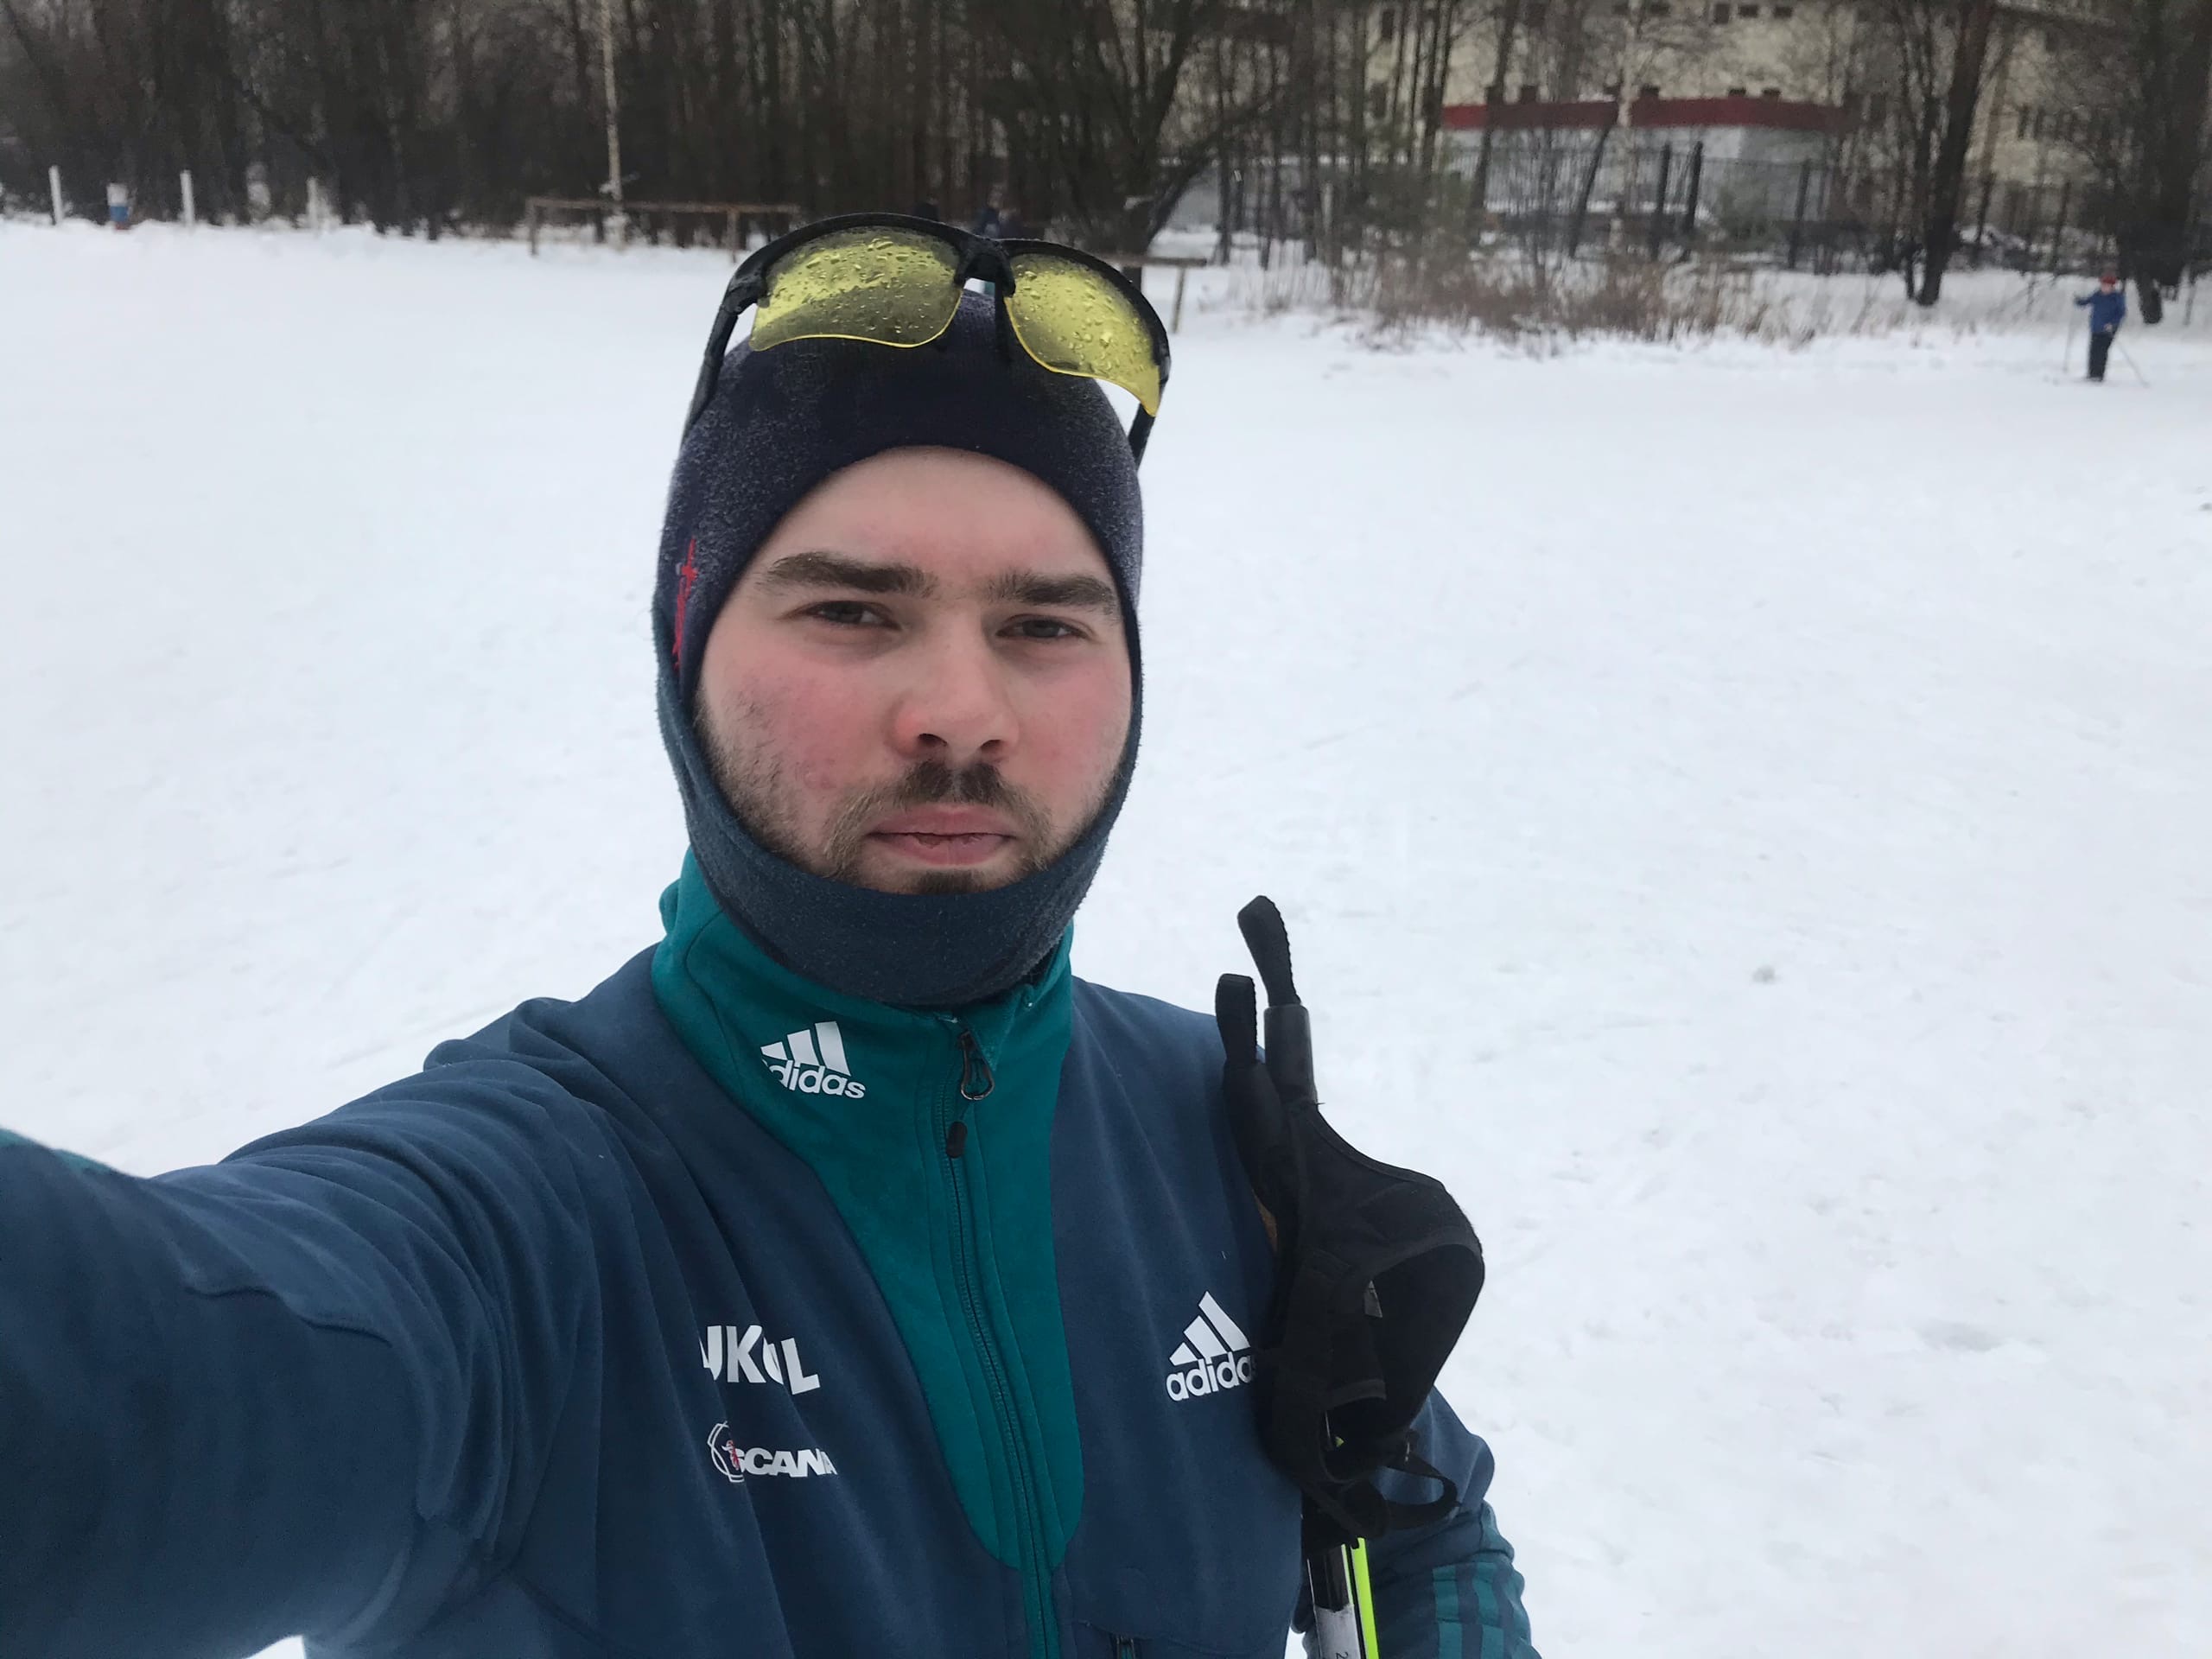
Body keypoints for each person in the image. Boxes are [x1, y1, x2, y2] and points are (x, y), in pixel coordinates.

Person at [0, 220, 1538, 1659]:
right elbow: (150, 1384)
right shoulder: (529, 1223)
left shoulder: (1217, 1125)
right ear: (687, 651)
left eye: (1046, 624)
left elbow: (1423, 1521)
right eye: (853, 611)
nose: (961, 710)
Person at [2075, 268, 2126, 382]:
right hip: (2096, 327)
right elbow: (2087, 301)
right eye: (2103, 285)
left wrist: (2112, 324)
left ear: (2112, 286)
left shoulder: (2117, 298)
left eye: (2107, 286)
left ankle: (2099, 375)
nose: (2105, 288)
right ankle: (2092, 373)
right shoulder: (2097, 295)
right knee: (2093, 351)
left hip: (2109, 329)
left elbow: (2121, 313)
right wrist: (2079, 301)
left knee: (2102, 351)